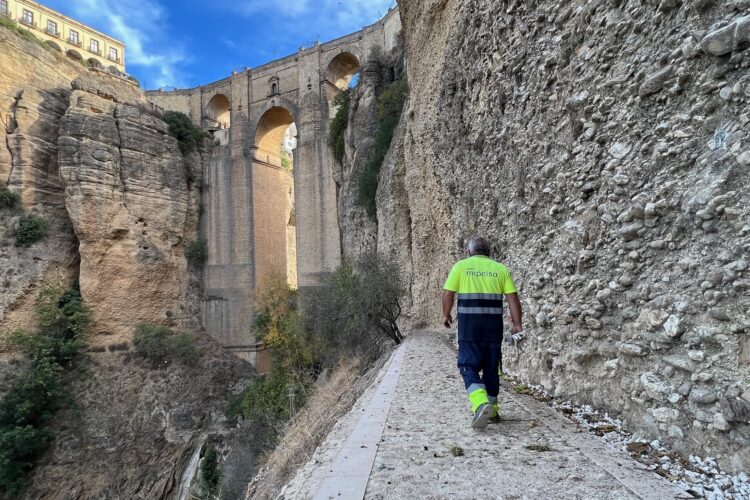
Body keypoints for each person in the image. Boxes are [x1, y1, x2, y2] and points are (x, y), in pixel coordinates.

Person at [442, 236, 523, 429]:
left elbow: (448, 293)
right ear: (489, 253)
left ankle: (480, 403)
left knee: (467, 365)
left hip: (470, 328)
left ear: (469, 252)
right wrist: (517, 324)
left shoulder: (461, 267)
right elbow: (512, 297)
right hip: (493, 328)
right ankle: (493, 410)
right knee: (491, 367)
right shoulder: (500, 269)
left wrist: (446, 315)